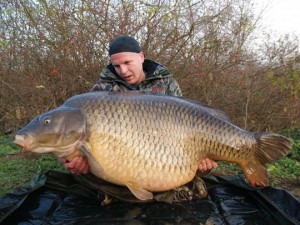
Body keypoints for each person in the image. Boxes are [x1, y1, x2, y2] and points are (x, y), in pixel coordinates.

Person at [59, 36, 218, 197]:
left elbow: (188, 123)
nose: (123, 71)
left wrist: (203, 159)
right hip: (123, 157)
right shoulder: (103, 89)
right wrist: (76, 160)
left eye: (127, 63)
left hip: (164, 153)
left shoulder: (166, 83)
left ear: (141, 57)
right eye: (117, 66)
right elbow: (82, 138)